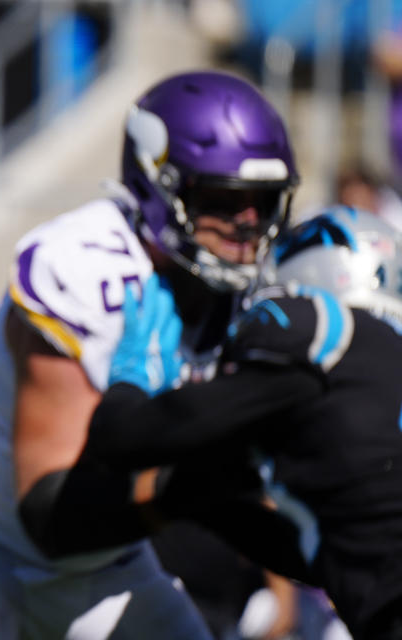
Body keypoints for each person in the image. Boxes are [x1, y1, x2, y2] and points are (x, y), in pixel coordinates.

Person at [0, 70, 298, 639]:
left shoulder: (253, 297)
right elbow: (51, 512)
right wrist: (193, 485)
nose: (248, 225)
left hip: (102, 560)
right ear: (160, 185)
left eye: (263, 203)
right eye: (225, 200)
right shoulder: (80, 264)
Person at [76, 206, 402, 640]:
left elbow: (122, 438)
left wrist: (132, 378)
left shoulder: (321, 332)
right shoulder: (375, 374)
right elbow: (319, 558)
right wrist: (207, 502)